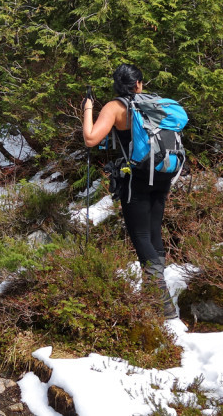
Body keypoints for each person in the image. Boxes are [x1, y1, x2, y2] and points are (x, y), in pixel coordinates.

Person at [81, 63, 177, 318]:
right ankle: (153, 298)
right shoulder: (154, 102)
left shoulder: (115, 107)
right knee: (154, 232)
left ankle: (164, 304)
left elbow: (91, 139)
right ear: (138, 84)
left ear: (117, 85)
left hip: (136, 178)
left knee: (140, 235)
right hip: (163, 173)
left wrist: (88, 107)